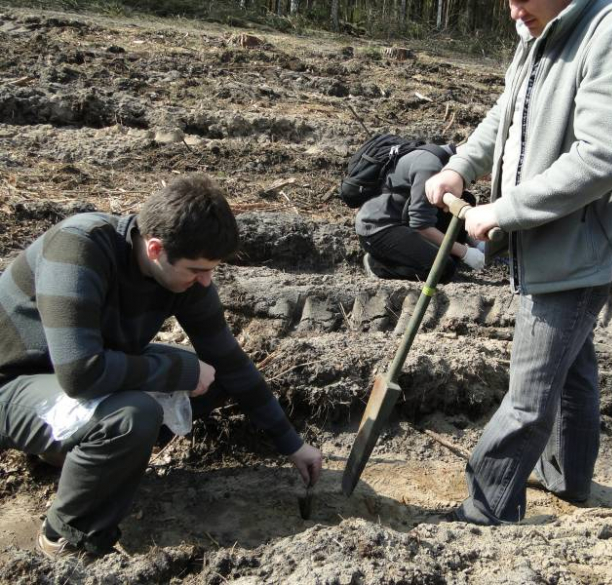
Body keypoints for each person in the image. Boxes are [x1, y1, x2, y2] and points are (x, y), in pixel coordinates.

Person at [426, 0, 612, 524]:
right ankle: (568, 478)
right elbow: (510, 112)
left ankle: (486, 508)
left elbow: (603, 156)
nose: (512, 8)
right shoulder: (539, 27)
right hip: (550, 239)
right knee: (570, 364)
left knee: (529, 393)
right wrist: (462, 166)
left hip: (583, 247)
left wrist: (505, 209)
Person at [0, 174, 323, 558]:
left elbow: (230, 362)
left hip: (75, 382)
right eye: (197, 270)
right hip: (16, 382)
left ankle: (76, 456)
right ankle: (66, 536)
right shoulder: (79, 248)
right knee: (132, 415)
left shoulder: (182, 278)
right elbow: (80, 373)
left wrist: (292, 443)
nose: (206, 282)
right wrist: (179, 370)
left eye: (212, 269)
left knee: (215, 378)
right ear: (155, 248)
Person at [356, 144, 485, 282]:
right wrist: (465, 253)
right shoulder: (431, 167)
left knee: (465, 199)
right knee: (443, 270)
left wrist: (477, 243)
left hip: (404, 217)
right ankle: (379, 265)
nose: (488, 178)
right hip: (380, 228)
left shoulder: (447, 158)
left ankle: (436, 256)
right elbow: (421, 226)